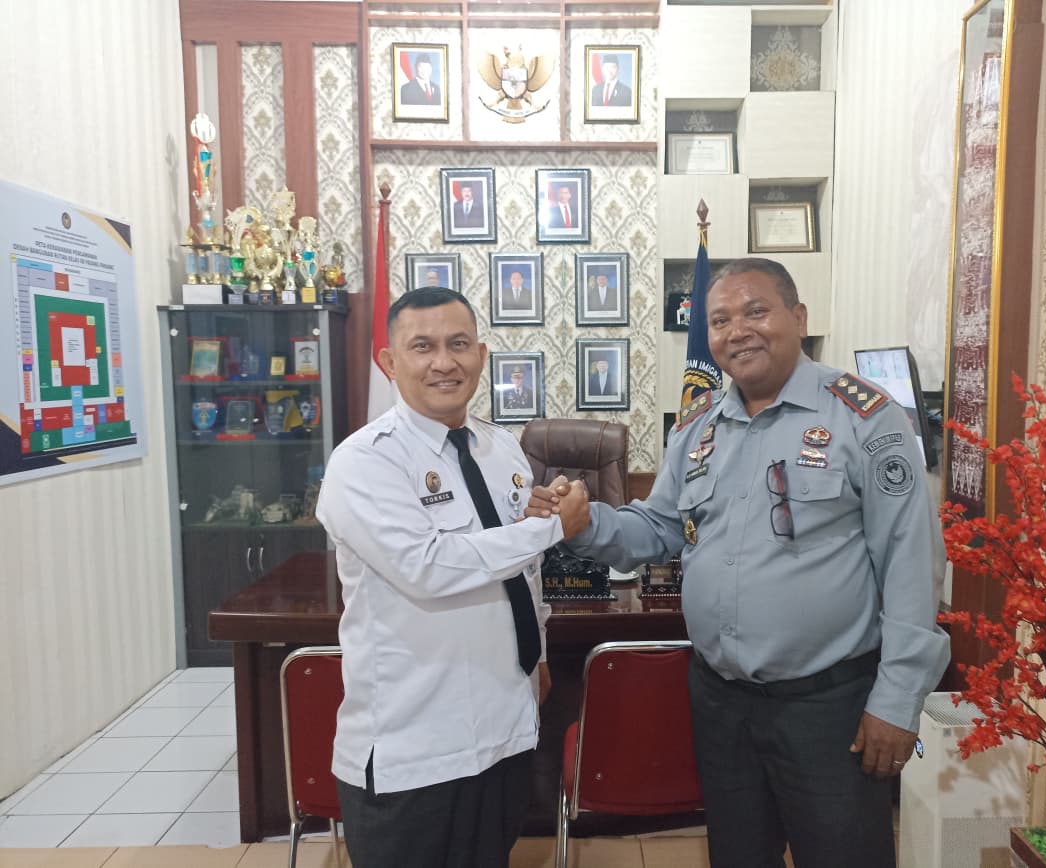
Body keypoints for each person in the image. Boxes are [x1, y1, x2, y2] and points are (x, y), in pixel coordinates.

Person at [528, 258, 949, 868]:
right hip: (721, 702)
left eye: (756, 311)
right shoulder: (698, 427)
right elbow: (659, 528)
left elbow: (911, 562)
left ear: (798, 318)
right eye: (720, 320)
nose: (737, 331)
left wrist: (898, 698)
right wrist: (585, 521)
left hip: (829, 706)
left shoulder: (863, 417)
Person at [316, 286, 588, 868]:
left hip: (502, 730)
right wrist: (550, 529)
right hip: (413, 749)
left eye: (459, 344)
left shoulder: (502, 448)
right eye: (423, 347)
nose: (444, 362)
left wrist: (537, 656)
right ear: (391, 362)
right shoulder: (364, 461)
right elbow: (427, 568)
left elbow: (524, 574)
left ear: (481, 356)